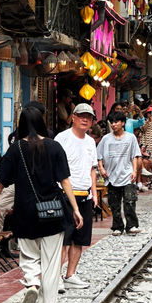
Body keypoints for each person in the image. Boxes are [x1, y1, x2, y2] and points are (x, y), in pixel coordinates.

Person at [0, 105, 82, 303]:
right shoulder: (54, 147)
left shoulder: (15, 149)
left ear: (21, 124)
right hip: (52, 213)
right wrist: (76, 209)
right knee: (51, 265)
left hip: (25, 213)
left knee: (29, 256)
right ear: (42, 122)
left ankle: (31, 283)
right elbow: (65, 182)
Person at [55, 103, 99, 289]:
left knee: (79, 239)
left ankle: (70, 274)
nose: (85, 119)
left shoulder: (90, 141)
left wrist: (94, 193)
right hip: (65, 196)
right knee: (63, 239)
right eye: (81, 116)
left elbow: (92, 169)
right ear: (73, 117)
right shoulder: (62, 139)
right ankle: (55, 276)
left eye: (88, 117)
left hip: (85, 195)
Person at [97, 110, 142, 235]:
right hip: (111, 175)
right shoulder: (106, 139)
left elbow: (135, 156)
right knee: (114, 203)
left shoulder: (130, 138)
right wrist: (101, 168)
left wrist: (134, 171)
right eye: (111, 122)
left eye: (116, 122)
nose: (113, 125)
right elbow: (99, 156)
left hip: (127, 174)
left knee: (130, 201)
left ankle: (132, 225)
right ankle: (117, 226)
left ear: (123, 123)